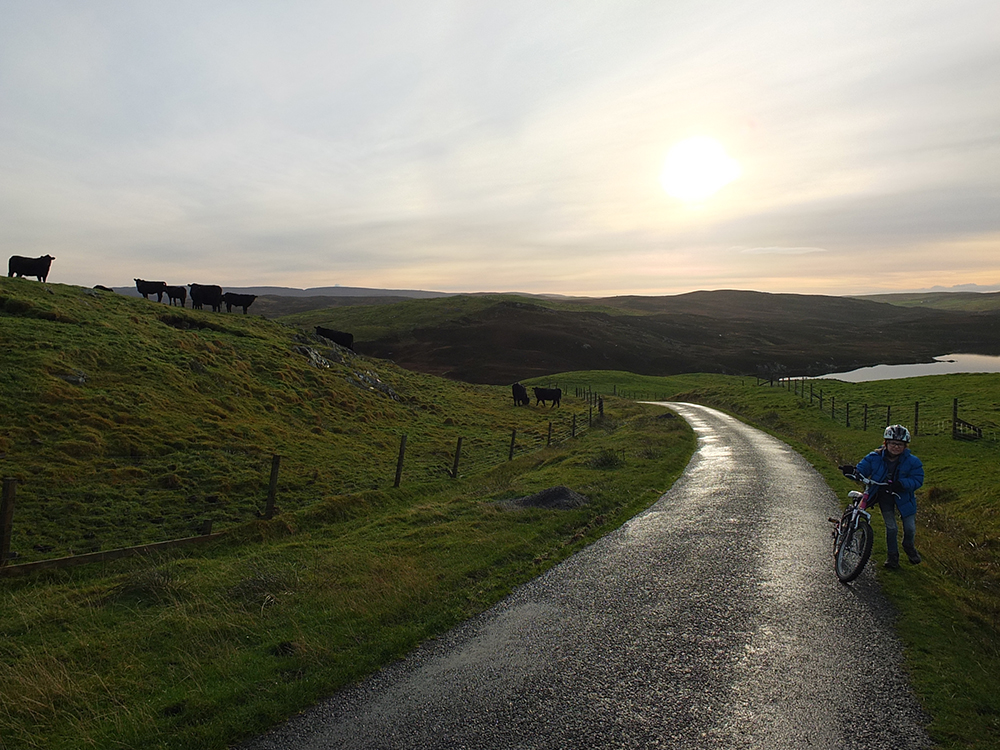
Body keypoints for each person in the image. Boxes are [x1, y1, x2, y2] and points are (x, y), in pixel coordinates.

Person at [843, 424, 924, 569]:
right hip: (884, 496)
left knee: (910, 528)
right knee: (891, 528)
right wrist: (853, 471)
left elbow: (918, 479)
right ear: (885, 443)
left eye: (900, 444)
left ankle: (908, 546)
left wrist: (902, 484)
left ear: (905, 446)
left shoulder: (913, 461)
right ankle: (892, 557)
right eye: (893, 443)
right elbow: (861, 470)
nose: (896, 447)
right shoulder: (874, 457)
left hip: (905, 498)